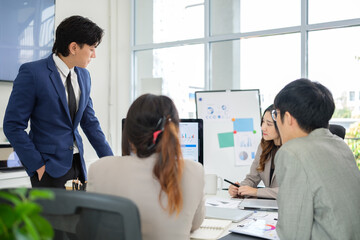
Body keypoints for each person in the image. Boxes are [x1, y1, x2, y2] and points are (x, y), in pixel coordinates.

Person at [3, 15, 113, 188]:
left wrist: (111, 161)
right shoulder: (33, 73)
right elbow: (12, 125)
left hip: (79, 165)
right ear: (74, 47)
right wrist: (37, 166)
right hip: (48, 169)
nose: (94, 55)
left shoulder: (84, 76)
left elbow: (89, 122)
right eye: (92, 48)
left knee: (80, 215)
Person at [87, 94, 205, 240]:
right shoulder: (194, 171)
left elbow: (91, 226)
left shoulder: (99, 168)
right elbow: (194, 224)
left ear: (128, 131)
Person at [273, 78, 360, 239]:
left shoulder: (292, 152)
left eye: (276, 114)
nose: (276, 120)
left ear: (288, 117)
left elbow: (292, 233)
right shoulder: (340, 145)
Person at [228, 104, 281, 199]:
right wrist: (240, 188)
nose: (263, 127)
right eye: (263, 122)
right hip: (268, 207)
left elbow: (290, 191)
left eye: (269, 124)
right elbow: (252, 178)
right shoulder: (264, 146)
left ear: (281, 126)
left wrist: (256, 192)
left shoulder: (291, 150)